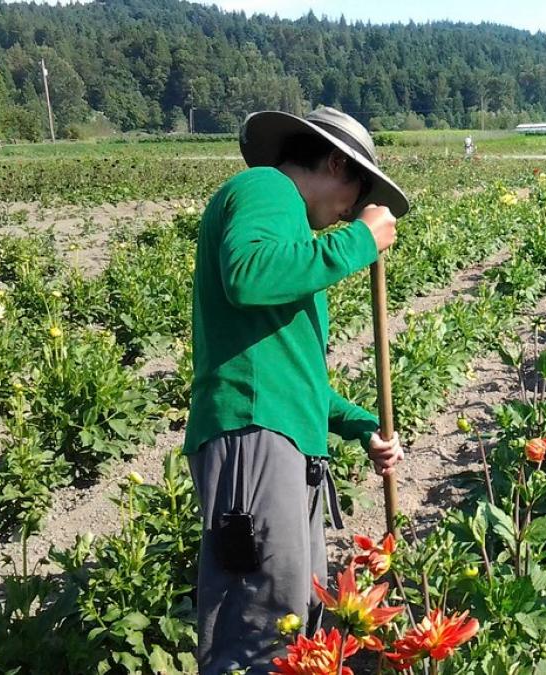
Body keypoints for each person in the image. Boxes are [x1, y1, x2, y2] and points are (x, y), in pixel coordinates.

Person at [183, 107, 410, 674]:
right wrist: (359, 242)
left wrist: (362, 425)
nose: (347, 215)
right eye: (354, 198)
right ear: (336, 163)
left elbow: (290, 376)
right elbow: (247, 273)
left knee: (295, 612)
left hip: (277, 435)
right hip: (252, 436)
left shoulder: (291, 238)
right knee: (259, 620)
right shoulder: (265, 187)